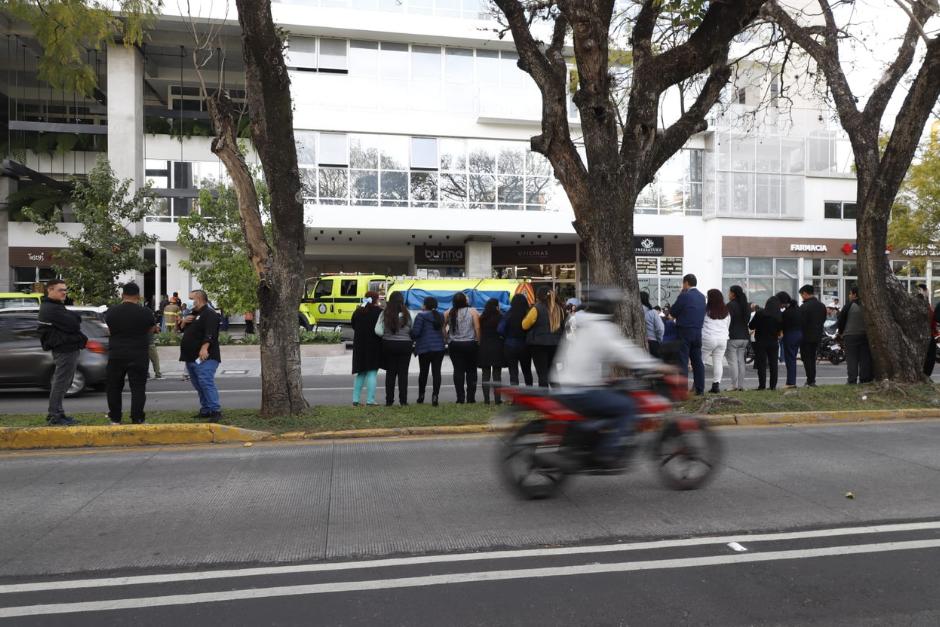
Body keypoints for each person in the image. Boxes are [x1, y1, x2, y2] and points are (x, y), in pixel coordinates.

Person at [554, 288, 675, 468]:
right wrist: (658, 366)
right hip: (582, 388)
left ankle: (595, 437)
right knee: (628, 406)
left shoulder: (578, 321)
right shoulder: (601, 327)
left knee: (614, 392)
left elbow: (604, 354)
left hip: (565, 382)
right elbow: (624, 353)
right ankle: (607, 451)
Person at [104, 283, 156, 424]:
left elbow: (108, 330)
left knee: (114, 387)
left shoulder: (111, 311)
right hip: (139, 354)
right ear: (138, 297)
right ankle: (137, 418)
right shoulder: (146, 312)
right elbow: (151, 330)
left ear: (122, 295)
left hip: (116, 354)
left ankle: (115, 418)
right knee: (138, 388)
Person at [37, 279, 86, 426]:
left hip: (67, 348)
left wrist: (74, 319)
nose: (64, 292)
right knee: (61, 382)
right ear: (50, 290)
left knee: (65, 382)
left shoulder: (56, 306)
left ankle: (58, 413)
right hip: (64, 349)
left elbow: (74, 321)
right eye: (60, 290)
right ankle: (55, 415)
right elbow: (74, 324)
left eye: (65, 289)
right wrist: (74, 319)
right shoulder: (51, 308)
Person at [179, 289, 223, 421]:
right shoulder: (193, 314)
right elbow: (182, 329)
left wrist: (205, 348)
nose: (189, 302)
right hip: (191, 357)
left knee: (205, 381)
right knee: (198, 384)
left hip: (205, 356)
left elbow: (210, 333)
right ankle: (206, 409)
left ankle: (215, 410)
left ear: (199, 299)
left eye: (191, 298)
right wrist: (183, 322)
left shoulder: (209, 314)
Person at [375, 291, 413, 406]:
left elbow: (378, 330)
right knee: (403, 374)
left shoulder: (384, 313)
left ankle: (389, 401)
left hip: (389, 344)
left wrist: (386, 335)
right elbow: (412, 328)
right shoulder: (408, 314)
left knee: (390, 374)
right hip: (405, 345)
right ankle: (403, 401)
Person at [670, 274, 706, 395]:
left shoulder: (684, 296)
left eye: (683, 283)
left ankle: (682, 390)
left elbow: (673, 311)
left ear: (686, 283)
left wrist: (680, 295)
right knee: (697, 361)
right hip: (697, 332)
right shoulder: (702, 297)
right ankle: (700, 388)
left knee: (683, 361)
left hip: (684, 331)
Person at [522, 286, 565, 387]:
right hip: (555, 344)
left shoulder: (536, 308)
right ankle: (558, 397)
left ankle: (544, 398)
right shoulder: (560, 309)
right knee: (553, 373)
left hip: (539, 345)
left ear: (539, 296)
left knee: (542, 374)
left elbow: (524, 325)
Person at [445, 291, 480, 403]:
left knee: (458, 371)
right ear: (465, 301)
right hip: (470, 344)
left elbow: (442, 327)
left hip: (455, 345)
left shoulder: (448, 312)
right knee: (471, 371)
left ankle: (460, 398)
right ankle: (471, 398)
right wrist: (478, 341)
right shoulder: (473, 311)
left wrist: (446, 338)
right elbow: (477, 328)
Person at [411, 295, 445, 406]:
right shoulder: (440, 315)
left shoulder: (420, 316)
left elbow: (416, 333)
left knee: (423, 373)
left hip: (424, 348)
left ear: (425, 305)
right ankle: (435, 397)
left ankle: (421, 396)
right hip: (439, 348)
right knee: (436, 373)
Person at [351, 291, 382, 406]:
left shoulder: (358, 311)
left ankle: (355, 400)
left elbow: (353, 325)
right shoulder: (379, 312)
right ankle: (370, 400)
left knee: (361, 373)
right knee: (372, 373)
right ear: (376, 300)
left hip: (359, 345)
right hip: (374, 345)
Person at [836, 286, 872, 384]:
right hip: (865, 336)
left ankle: (852, 380)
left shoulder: (849, 306)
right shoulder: (868, 305)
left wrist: (840, 332)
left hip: (850, 335)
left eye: (850, 293)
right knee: (864, 358)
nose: (849, 295)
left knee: (852, 359)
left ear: (855, 295)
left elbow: (841, 321)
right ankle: (864, 379)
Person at [499, 294, 534, 388]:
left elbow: (500, 329)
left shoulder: (508, 314)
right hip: (525, 345)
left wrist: (506, 337)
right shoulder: (528, 313)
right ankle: (530, 391)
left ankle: (515, 397)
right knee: (527, 370)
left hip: (510, 345)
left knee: (513, 372)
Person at [749, 296, 783, 390]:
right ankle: (773, 386)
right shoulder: (779, 315)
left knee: (761, 364)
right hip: (773, 341)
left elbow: (751, 326)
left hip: (760, 341)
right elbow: (780, 329)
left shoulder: (760, 313)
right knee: (773, 364)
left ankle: (762, 385)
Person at [702, 289, 730, 394]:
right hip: (723, 339)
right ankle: (716, 385)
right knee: (718, 362)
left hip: (708, 338)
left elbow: (701, 324)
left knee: (701, 361)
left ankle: (697, 384)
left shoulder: (706, 310)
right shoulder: (726, 311)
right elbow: (728, 325)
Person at [798, 285, 827, 387]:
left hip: (805, 337)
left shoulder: (804, 307)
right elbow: (823, 319)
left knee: (806, 359)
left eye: (802, 295)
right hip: (817, 336)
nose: (802, 297)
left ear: (805, 293)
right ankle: (812, 380)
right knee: (812, 358)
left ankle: (810, 380)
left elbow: (800, 323)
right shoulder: (822, 306)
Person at [478, 298, 505, 405]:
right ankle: (497, 400)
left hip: (484, 347)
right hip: (497, 347)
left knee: (485, 374)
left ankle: (486, 400)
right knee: (497, 375)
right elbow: (503, 331)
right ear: (496, 306)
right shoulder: (500, 317)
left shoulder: (482, 318)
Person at [725, 285, 750, 392]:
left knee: (733, 362)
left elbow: (727, 321)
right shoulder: (746, 305)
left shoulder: (730, 305)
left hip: (733, 336)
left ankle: (733, 385)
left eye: (729, 292)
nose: (728, 294)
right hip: (744, 336)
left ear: (733, 294)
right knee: (741, 362)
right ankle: (741, 385)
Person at [777, 291, 803, 388]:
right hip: (800, 334)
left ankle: (791, 382)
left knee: (790, 359)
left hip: (790, 335)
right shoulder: (797, 309)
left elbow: (781, 325)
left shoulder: (786, 313)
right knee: (793, 357)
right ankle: (791, 381)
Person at [918, 284, 937, 378]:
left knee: (930, 356)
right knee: (929, 357)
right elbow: (931, 319)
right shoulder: (923, 306)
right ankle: (925, 375)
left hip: (928, 334)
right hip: (927, 335)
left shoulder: (926, 305)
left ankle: (925, 375)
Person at [641, 291, 664, 357]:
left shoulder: (635, 311)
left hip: (638, 344)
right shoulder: (652, 312)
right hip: (653, 342)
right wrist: (659, 340)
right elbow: (660, 328)